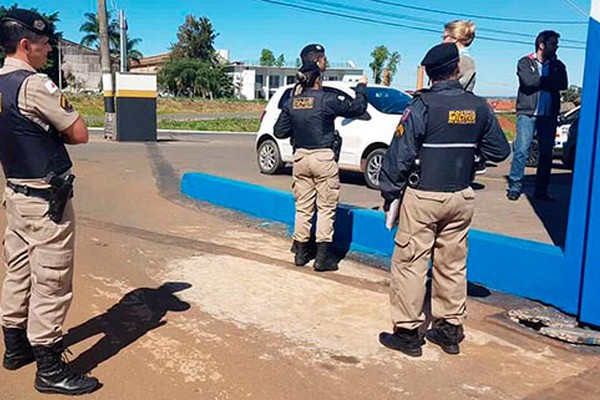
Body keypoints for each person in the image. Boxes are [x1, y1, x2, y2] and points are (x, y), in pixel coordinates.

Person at [378, 43, 510, 357]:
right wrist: (473, 159)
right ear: (456, 69)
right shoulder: (478, 106)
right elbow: (499, 151)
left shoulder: (422, 105)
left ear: (431, 73)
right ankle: (449, 330)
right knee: (452, 264)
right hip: (461, 196)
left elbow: (400, 154)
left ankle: (408, 333)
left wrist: (390, 193)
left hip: (424, 195)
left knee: (410, 262)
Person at [0, 9, 99, 395]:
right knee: (52, 281)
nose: (48, 49)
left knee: (18, 272)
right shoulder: (35, 85)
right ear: (25, 45)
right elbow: (79, 133)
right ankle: (50, 367)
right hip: (45, 201)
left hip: (16, 195)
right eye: (44, 44)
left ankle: (14, 348)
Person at [274, 44, 368, 272]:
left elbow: (279, 131)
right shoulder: (327, 98)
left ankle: (300, 252)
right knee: (326, 207)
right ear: (318, 71)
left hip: (300, 159)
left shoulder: (292, 100)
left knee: (303, 208)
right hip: (323, 158)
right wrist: (362, 87)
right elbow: (358, 107)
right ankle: (323, 258)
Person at [507, 30, 568, 201]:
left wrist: (540, 80)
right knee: (521, 150)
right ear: (542, 45)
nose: (556, 47)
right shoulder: (525, 62)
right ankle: (515, 186)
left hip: (548, 116)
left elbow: (562, 83)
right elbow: (528, 82)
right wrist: (548, 81)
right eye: (553, 44)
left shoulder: (558, 65)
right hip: (528, 113)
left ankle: (541, 190)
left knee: (546, 153)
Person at [442, 20, 477, 92]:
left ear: (455, 39)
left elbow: (450, 90)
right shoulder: (465, 59)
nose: (443, 42)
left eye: (445, 37)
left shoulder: (462, 60)